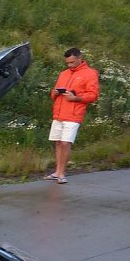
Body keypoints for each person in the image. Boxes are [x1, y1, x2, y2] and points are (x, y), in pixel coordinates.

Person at [44, 48, 99, 184]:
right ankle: (57, 172)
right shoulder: (63, 74)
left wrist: (76, 98)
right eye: (67, 63)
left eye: (72, 62)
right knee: (57, 142)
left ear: (80, 58)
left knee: (65, 143)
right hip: (58, 113)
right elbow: (52, 93)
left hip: (74, 114)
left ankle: (62, 173)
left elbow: (93, 95)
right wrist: (55, 93)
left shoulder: (90, 74)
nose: (69, 65)